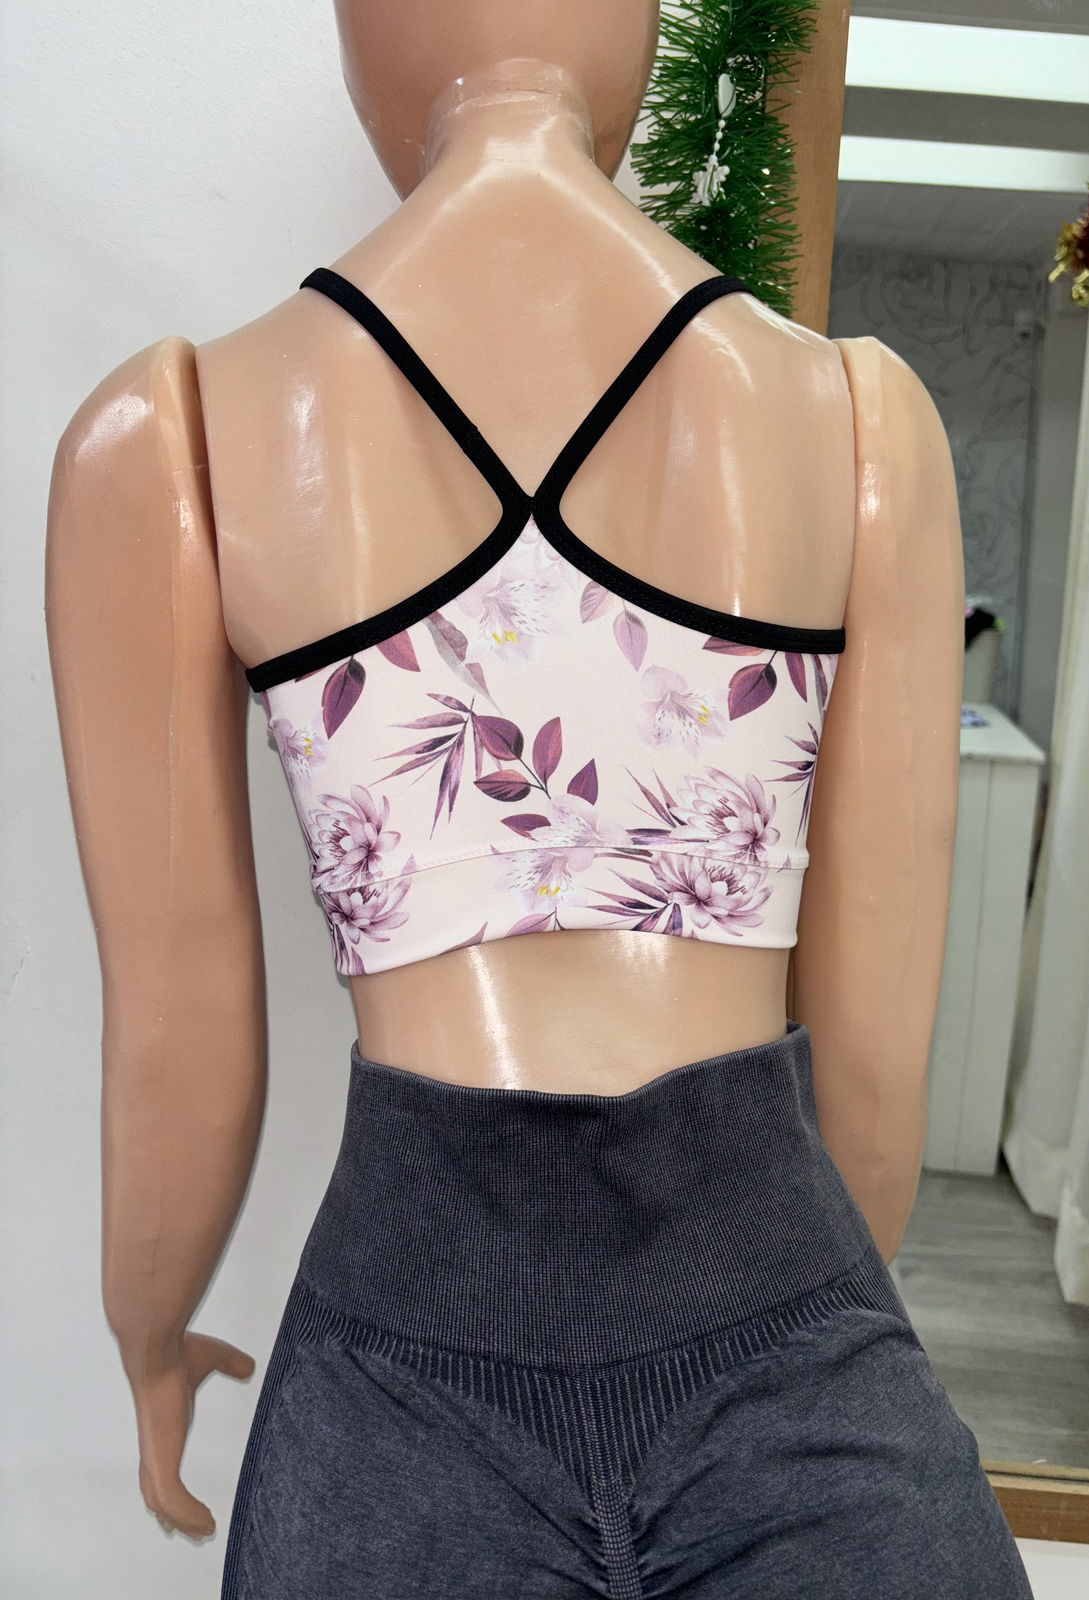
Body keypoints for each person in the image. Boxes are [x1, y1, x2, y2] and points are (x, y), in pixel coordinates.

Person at [45, 3, 1034, 1595]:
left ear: (366, 38)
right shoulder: (857, 417)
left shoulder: (180, 433)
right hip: (780, 1299)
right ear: (636, 36)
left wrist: (149, 1335)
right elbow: (870, 1065)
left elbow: (179, 1038)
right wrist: (808, 1309)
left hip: (400, 1376)